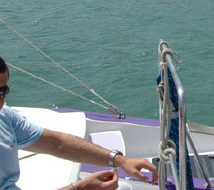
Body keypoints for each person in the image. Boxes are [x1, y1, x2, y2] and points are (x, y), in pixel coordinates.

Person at [0, 55, 158, 190]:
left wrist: (120, 161)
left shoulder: (5, 116)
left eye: (2, 92)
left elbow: (57, 143)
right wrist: (79, 188)